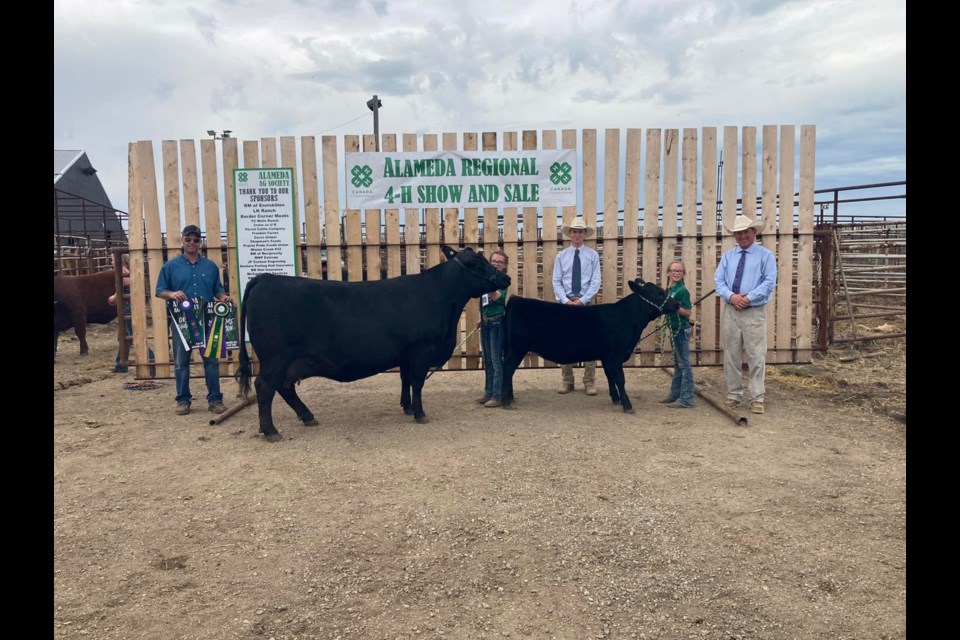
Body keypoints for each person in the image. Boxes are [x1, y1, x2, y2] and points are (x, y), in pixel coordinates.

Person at [155, 225, 232, 416]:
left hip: (207, 320)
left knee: (212, 362)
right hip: (181, 322)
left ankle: (215, 400)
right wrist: (172, 294)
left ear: (200, 242)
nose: (192, 243)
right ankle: (183, 400)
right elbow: (159, 291)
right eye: (188, 239)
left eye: (196, 240)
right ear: (182, 241)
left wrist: (223, 298)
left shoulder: (210, 266)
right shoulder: (170, 267)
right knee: (181, 362)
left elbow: (218, 290)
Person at [714, 215, 777, 414]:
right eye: (738, 233)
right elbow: (719, 281)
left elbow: (769, 282)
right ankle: (734, 395)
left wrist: (747, 298)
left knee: (756, 355)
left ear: (754, 233)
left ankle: (757, 397)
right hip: (732, 310)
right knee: (731, 354)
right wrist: (732, 297)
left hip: (753, 312)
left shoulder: (765, 255)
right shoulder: (728, 256)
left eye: (745, 232)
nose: (742, 236)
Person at [552, 216, 601, 395]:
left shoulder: (592, 255)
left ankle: (589, 381)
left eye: (580, 232)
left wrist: (582, 300)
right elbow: (556, 281)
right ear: (570, 234)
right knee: (565, 340)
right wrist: (566, 301)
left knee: (591, 340)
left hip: (587, 303)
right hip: (566, 303)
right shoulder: (561, 256)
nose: (577, 235)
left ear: (585, 234)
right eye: (574, 231)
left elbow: (595, 281)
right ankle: (567, 380)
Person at [107, 252, 155, 374]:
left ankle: (152, 358)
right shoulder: (132, 272)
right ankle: (121, 364)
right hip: (131, 307)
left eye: (113, 259)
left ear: (120, 260)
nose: (112, 262)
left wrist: (112, 298)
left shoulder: (123, 274)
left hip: (128, 309)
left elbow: (119, 293)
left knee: (133, 337)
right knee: (124, 337)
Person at [475, 250, 510, 408]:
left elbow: (498, 297)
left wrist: (488, 284)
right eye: (494, 261)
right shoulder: (487, 280)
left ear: (504, 266)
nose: (496, 263)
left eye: (500, 262)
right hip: (486, 321)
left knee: (496, 360)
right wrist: (480, 318)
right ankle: (488, 392)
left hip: (497, 322)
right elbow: (484, 302)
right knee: (487, 360)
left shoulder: (501, 281)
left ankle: (497, 395)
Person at [660, 261, 695, 408]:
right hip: (674, 328)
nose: (676, 273)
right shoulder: (670, 290)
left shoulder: (682, 291)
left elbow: (687, 312)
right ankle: (675, 394)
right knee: (678, 364)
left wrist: (674, 307)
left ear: (683, 274)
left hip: (681, 329)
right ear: (668, 273)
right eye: (674, 270)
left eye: (679, 271)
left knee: (684, 364)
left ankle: (686, 398)